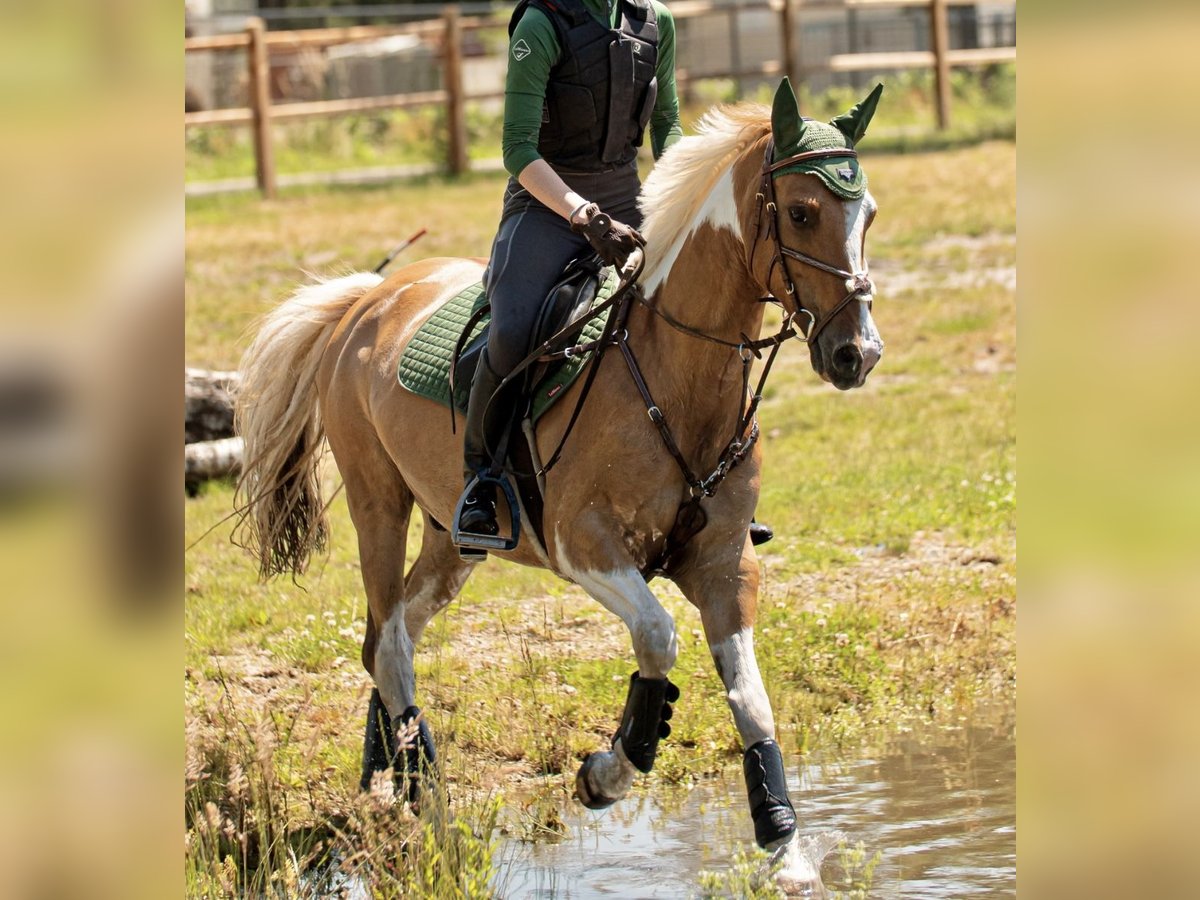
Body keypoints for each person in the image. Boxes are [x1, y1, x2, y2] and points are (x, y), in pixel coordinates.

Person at [454, 0, 773, 551]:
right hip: (546, 210)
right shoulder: (540, 24)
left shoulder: (656, 21)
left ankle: (715, 485)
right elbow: (517, 150)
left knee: (709, 315)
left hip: (630, 199)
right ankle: (482, 480)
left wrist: (682, 199)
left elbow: (668, 124)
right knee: (513, 329)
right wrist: (582, 213)